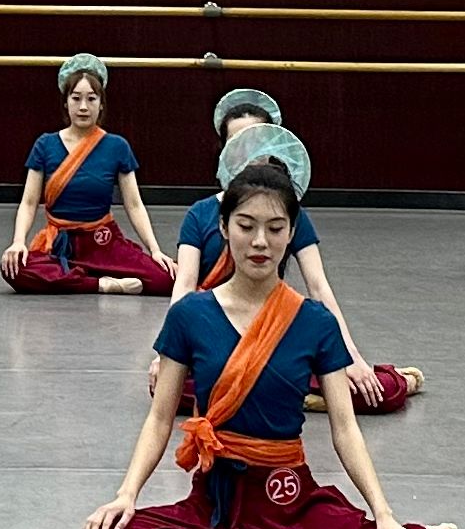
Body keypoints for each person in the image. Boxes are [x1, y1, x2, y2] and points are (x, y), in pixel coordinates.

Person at [83, 141, 454, 529]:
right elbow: (161, 419)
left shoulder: (315, 322)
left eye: (276, 228)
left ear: (291, 233)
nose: (260, 241)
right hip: (215, 502)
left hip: (287, 499)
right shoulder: (189, 316)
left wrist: (384, 513)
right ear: (224, 227)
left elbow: (344, 429)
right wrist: (126, 495)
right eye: (246, 226)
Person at [167, 110, 423, 415]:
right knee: (167, 389)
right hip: (213, 331)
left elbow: (318, 286)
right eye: (238, 142)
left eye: (258, 140)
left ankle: (393, 380)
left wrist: (352, 355)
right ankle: (297, 396)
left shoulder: (290, 214)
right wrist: (168, 351)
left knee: (379, 392)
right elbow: (185, 284)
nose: (250, 152)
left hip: (273, 329)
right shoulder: (200, 213)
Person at [3, 54, 172, 293]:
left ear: (101, 103)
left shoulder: (117, 146)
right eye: (76, 98)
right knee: (15, 269)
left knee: (166, 278)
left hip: (103, 242)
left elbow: (134, 205)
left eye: (91, 99)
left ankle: (75, 279)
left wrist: (155, 250)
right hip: (60, 245)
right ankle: (100, 284)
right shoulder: (45, 144)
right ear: (66, 103)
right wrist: (18, 242)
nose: (83, 107)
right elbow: (29, 203)